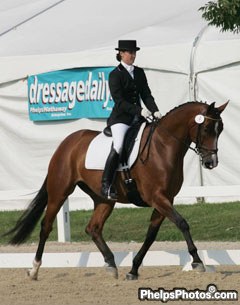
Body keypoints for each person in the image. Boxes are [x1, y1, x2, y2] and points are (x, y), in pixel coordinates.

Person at [101, 40, 162, 200]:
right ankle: (106, 184)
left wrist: (155, 110)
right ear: (121, 53)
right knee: (119, 145)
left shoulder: (139, 72)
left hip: (139, 117)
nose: (133, 55)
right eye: (130, 52)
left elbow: (146, 94)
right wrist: (140, 110)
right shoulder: (115, 74)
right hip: (121, 118)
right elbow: (119, 101)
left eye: (134, 52)